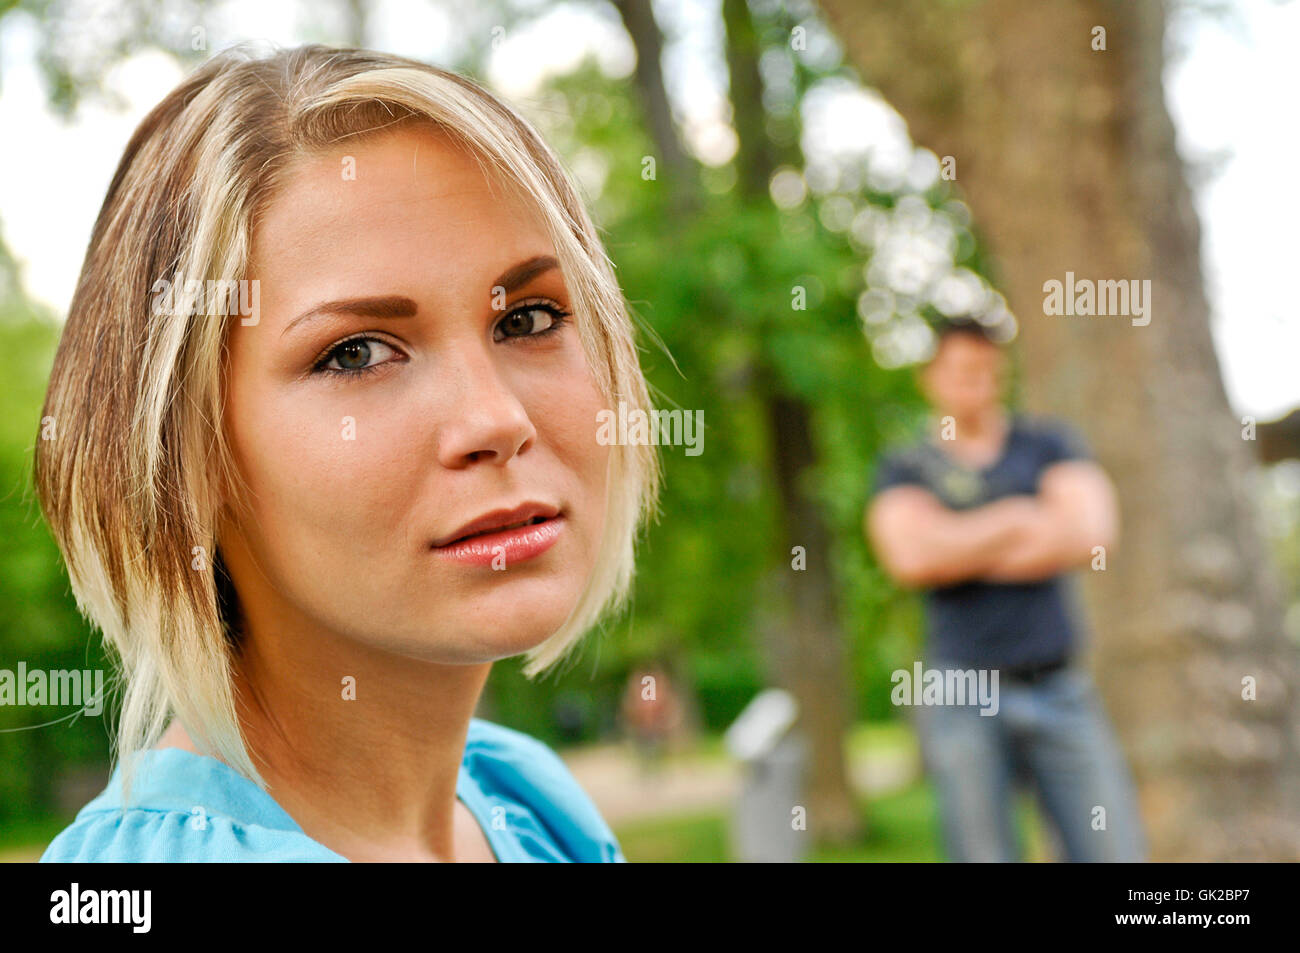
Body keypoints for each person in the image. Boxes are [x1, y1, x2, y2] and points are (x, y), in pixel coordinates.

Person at [37, 44, 660, 863]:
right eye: (357, 353)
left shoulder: (528, 801)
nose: (496, 419)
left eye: (529, 318)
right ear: (184, 457)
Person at [865, 318, 1145, 862]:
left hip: (1060, 683)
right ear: (931, 376)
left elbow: (1091, 536)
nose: (978, 382)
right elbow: (912, 558)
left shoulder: (1048, 442)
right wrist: (1023, 516)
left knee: (1114, 850)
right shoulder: (904, 465)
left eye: (989, 370)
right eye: (963, 370)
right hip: (961, 692)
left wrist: (958, 543)